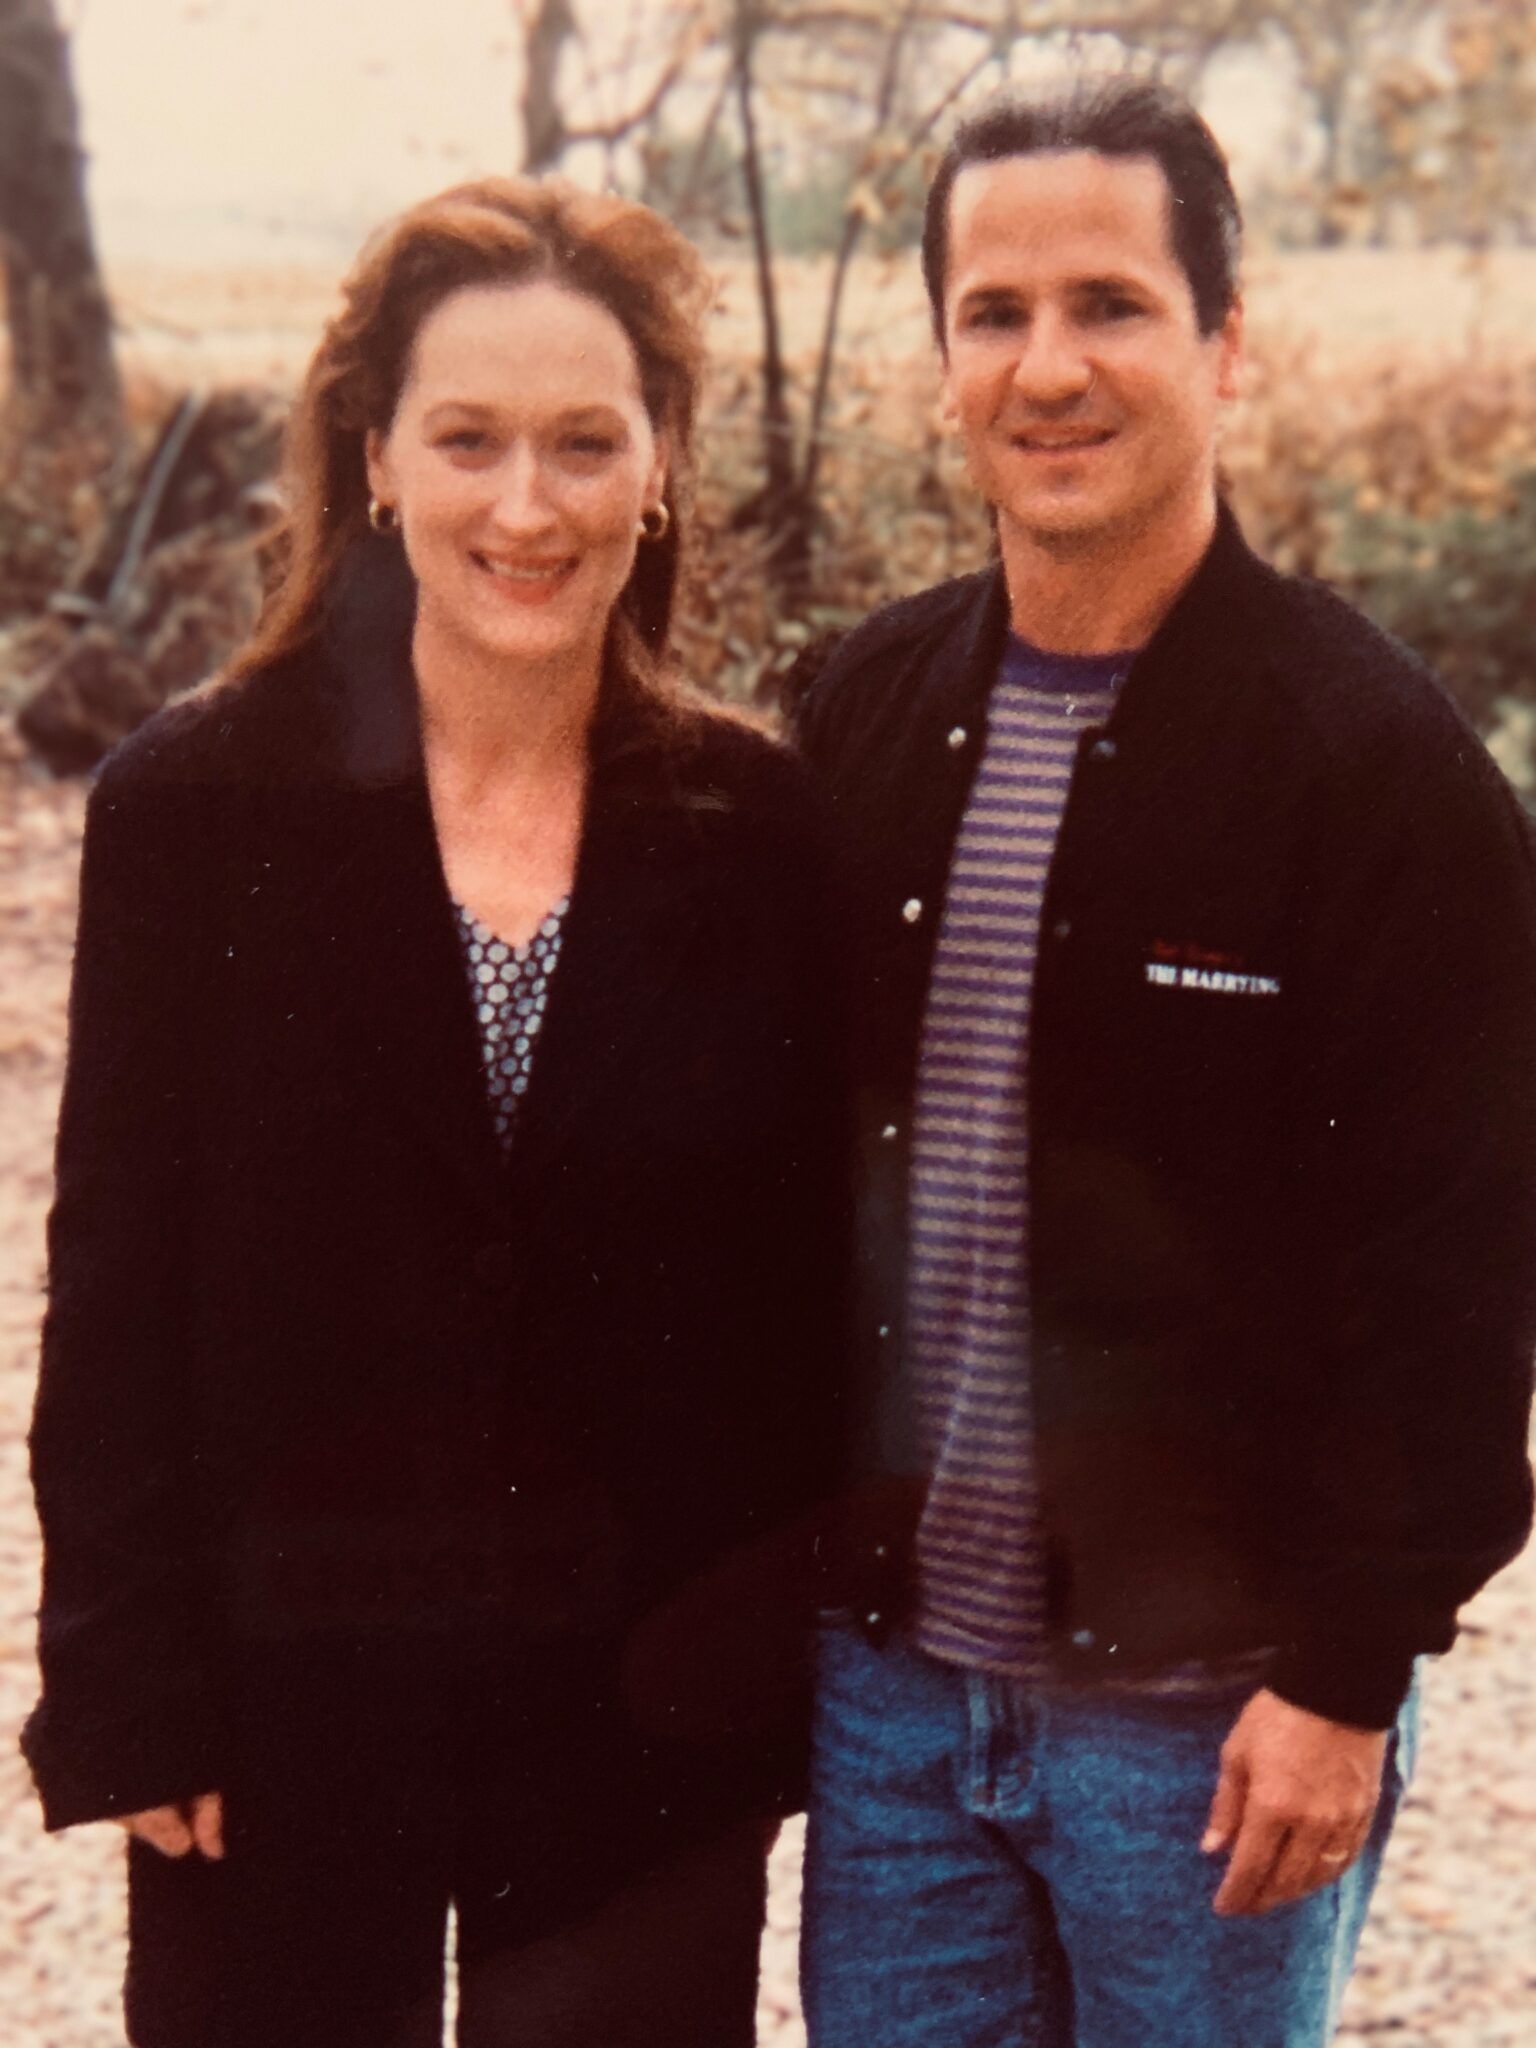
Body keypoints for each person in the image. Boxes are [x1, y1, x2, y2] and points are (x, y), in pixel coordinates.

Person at [24, 176, 845, 2048]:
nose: (527, 505)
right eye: (467, 439)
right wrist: (130, 1687)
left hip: (638, 1733)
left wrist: (759, 1692)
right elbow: (121, 1285)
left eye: (584, 442)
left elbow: (791, 1312)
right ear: (375, 459)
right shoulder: (194, 811)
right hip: (277, 1703)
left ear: (658, 471)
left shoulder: (757, 831)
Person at [789, 74, 1536, 2048]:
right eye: (995, 311)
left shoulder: (1379, 776)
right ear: (943, 354)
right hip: (894, 1708)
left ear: (1224, 338)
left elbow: (1461, 1278)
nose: (1050, 367)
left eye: (1110, 304)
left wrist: (1352, 1676)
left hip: (1210, 1721)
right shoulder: (856, 711)